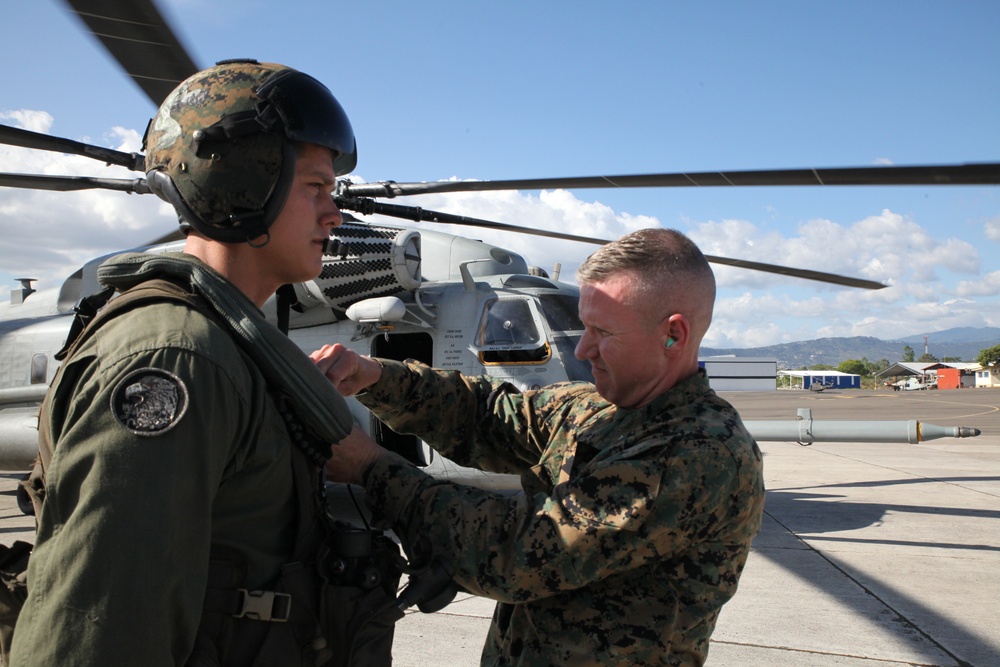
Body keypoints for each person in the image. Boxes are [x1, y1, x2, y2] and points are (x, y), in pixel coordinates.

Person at [9, 59, 390, 666]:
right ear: (246, 186)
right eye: (315, 187)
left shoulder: (228, 344)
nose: (335, 214)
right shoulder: (179, 360)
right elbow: (96, 628)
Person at [311, 227, 767, 666]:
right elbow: (484, 414)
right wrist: (375, 376)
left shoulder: (698, 452)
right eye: (584, 327)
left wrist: (372, 467)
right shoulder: (598, 411)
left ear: (674, 335)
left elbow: (521, 552)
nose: (584, 350)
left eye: (604, 333)